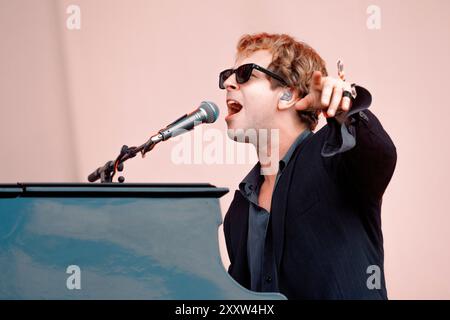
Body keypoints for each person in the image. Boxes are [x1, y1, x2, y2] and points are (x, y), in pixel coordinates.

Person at [221, 33, 397, 299]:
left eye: (245, 74)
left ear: (288, 95)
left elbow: (380, 153)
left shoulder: (338, 154)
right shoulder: (239, 210)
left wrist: (344, 107)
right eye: (228, 75)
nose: (229, 83)